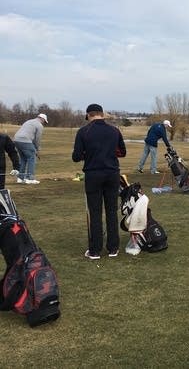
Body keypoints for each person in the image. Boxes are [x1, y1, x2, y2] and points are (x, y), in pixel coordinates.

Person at [72, 104, 126, 260]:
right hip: (112, 174)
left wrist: (89, 154)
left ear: (89, 115)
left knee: (95, 213)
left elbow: (76, 156)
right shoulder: (114, 130)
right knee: (111, 211)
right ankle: (113, 248)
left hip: (93, 175)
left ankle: (95, 250)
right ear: (102, 115)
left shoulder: (83, 131)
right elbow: (122, 152)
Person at [13, 113, 48, 184]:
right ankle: (30, 179)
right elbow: (37, 139)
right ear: (42, 119)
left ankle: (20, 178)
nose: (44, 123)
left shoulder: (29, 121)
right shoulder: (39, 125)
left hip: (16, 139)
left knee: (23, 159)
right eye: (44, 121)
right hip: (25, 141)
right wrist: (37, 149)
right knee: (32, 158)